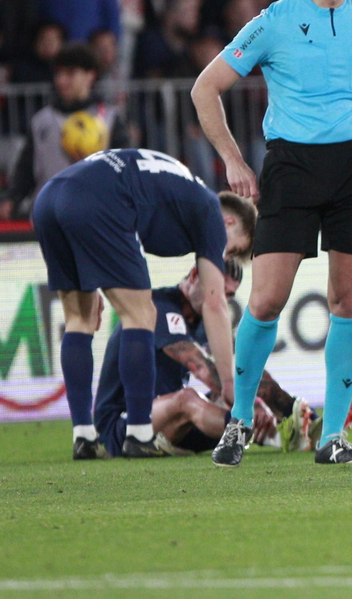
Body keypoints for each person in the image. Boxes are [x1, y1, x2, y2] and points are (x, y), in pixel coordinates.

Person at [193, 0, 352, 466]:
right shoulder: (276, 21)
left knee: (349, 299)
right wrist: (234, 161)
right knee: (265, 301)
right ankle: (239, 421)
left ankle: (333, 436)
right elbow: (205, 88)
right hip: (291, 166)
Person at [33, 146, 253, 460]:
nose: (225, 257)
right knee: (141, 314)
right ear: (229, 222)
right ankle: (138, 432)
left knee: (79, 320)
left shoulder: (187, 188)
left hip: (50, 197)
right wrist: (229, 383)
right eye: (233, 251)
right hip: (101, 202)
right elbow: (214, 304)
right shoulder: (210, 214)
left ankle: (83, 434)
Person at [90, 260, 322, 457]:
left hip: (167, 423)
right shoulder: (159, 307)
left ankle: (302, 427)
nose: (221, 302)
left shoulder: (203, 316)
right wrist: (250, 407)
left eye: (228, 296)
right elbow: (201, 368)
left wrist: (287, 407)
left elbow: (242, 367)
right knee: (188, 399)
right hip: (122, 425)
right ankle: (277, 438)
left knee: (227, 391)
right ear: (193, 276)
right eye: (218, 291)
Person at [0, 42, 128, 220]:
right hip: (50, 218)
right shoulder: (42, 121)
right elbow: (27, 167)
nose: (61, 81)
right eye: (58, 74)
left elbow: (125, 171)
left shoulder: (110, 119)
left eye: (70, 73)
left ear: (90, 75)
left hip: (97, 219)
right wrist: (12, 199)